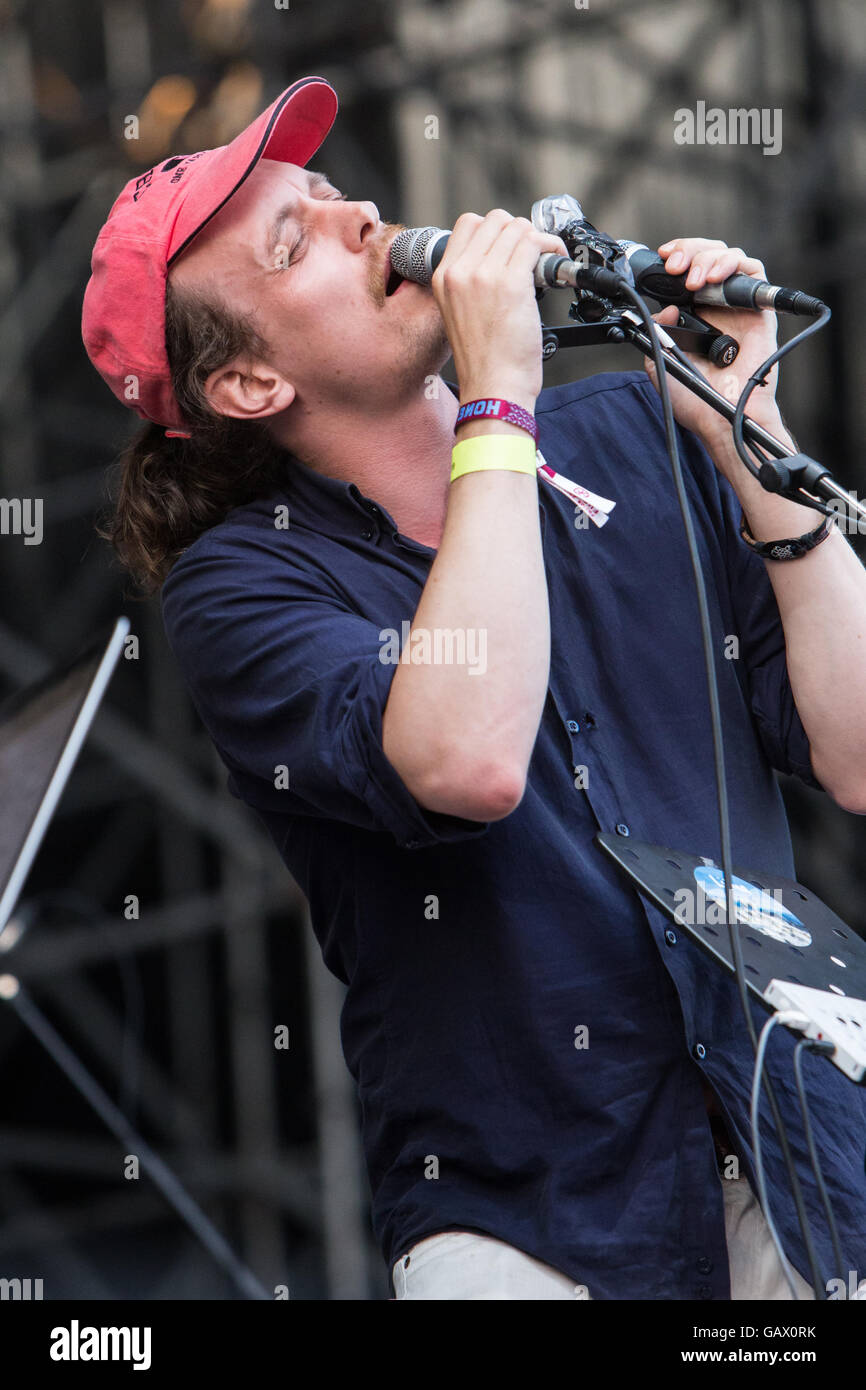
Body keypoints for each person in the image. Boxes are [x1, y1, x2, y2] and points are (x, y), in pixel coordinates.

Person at [82, 77, 866, 1300]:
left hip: (798, 1161)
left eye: (334, 196)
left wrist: (744, 428)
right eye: (296, 243)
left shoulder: (629, 435)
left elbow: (857, 756)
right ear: (247, 386)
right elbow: (467, 759)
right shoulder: (243, 589)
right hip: (528, 1219)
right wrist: (498, 399)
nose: (358, 220)